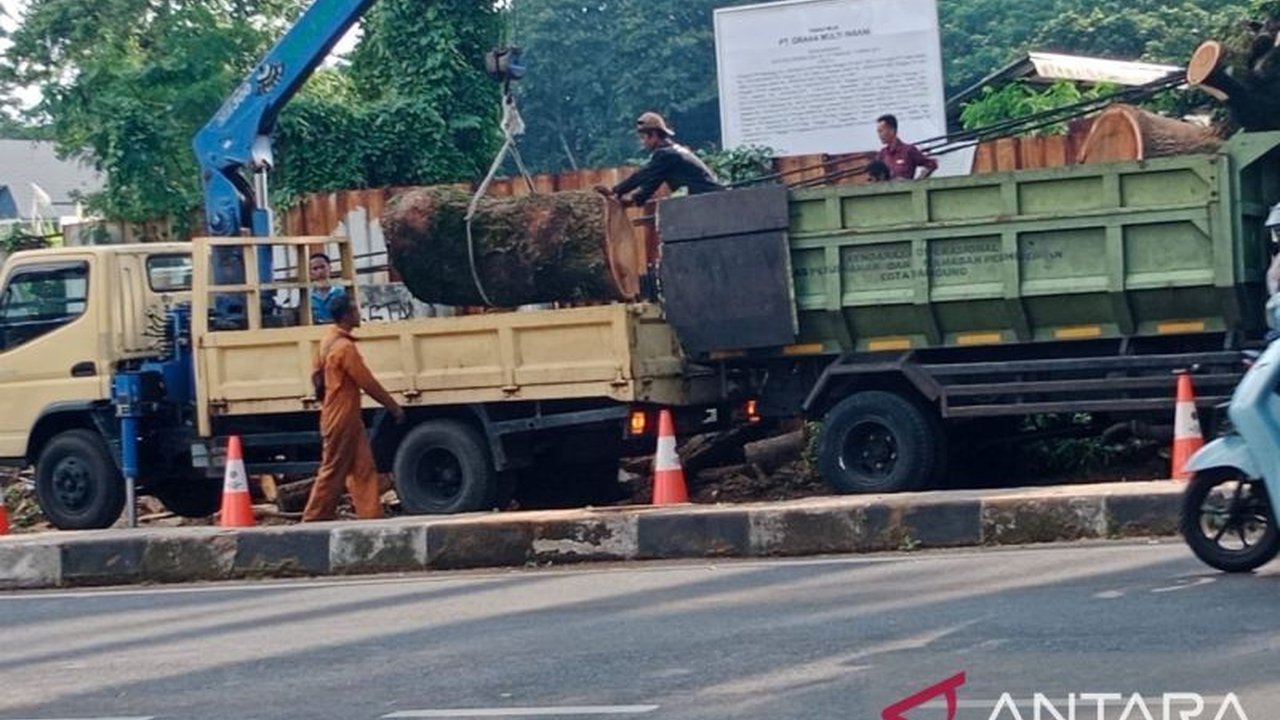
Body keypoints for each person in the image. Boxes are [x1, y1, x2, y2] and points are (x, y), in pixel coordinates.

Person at [302, 293, 405, 522]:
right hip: (343, 415)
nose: (359, 314)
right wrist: (393, 406)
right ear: (347, 316)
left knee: (363, 467)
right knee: (333, 468)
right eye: (355, 310)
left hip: (342, 414)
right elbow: (368, 383)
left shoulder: (327, 341)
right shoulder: (345, 348)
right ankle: (313, 517)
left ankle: (370, 515)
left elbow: (316, 375)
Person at [595, 112, 724, 207]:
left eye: (643, 138)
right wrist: (635, 198)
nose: (642, 143)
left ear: (654, 135)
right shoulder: (673, 151)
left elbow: (643, 174)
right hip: (710, 197)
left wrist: (615, 191)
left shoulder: (666, 154)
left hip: (707, 200)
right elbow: (653, 181)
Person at [876, 114, 937, 180]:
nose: (879, 135)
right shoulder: (883, 154)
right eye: (878, 132)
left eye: (881, 131)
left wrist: (917, 181)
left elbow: (932, 164)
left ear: (891, 130)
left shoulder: (908, 150)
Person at [309, 252, 346, 324]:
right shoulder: (308, 298)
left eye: (322, 267)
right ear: (310, 273)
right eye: (315, 268)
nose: (320, 271)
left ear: (330, 267)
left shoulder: (342, 293)